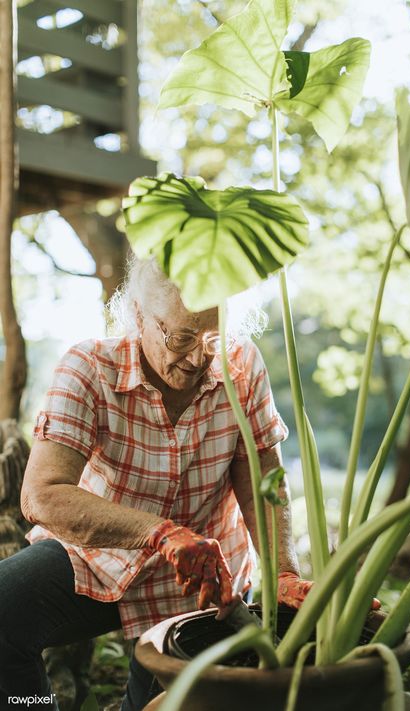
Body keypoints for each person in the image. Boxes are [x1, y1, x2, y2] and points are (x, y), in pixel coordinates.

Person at [0, 258, 310, 711]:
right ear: (139, 316)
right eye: (181, 336)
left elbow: (263, 480)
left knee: (161, 706)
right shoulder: (88, 367)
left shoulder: (241, 364)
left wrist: (283, 573)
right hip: (100, 553)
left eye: (212, 338)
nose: (198, 357)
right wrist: (160, 533)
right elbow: (42, 495)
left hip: (205, 577)